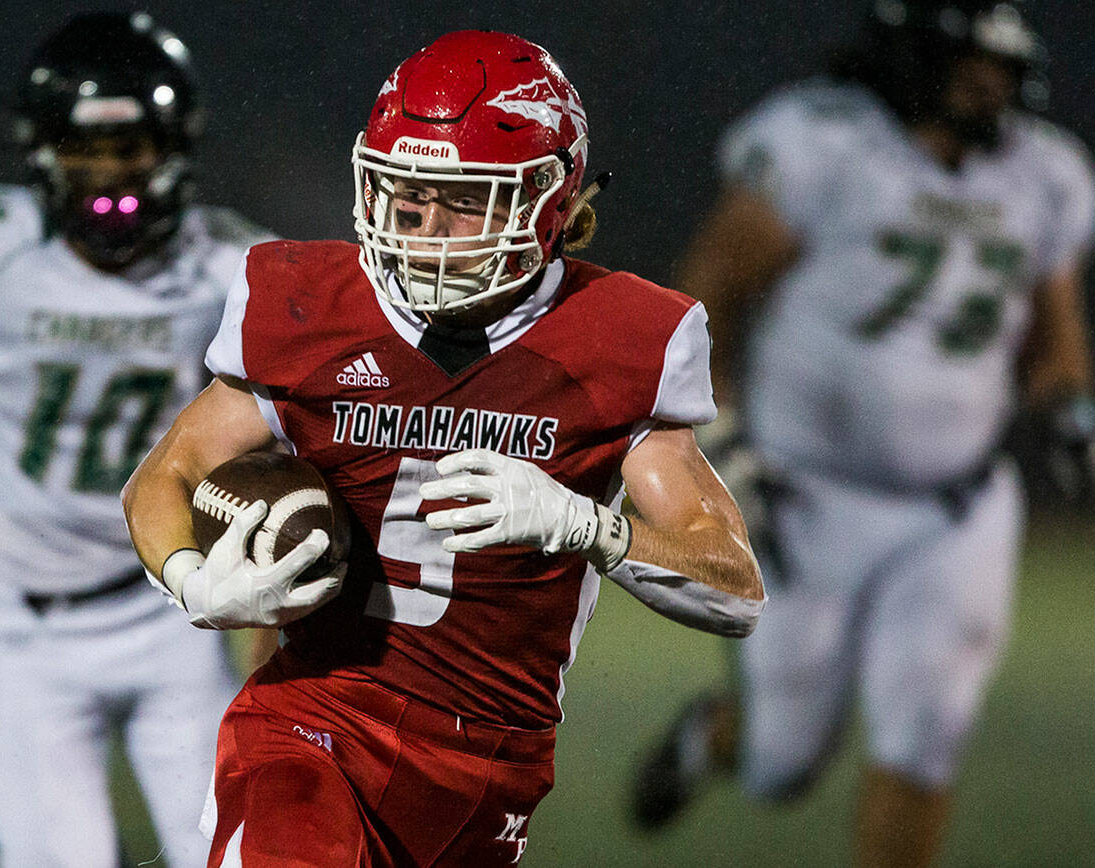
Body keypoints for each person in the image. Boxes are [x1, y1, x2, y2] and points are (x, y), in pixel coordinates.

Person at [122, 29, 765, 867]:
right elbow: (164, 477)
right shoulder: (311, 303)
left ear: (550, 202)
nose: (424, 226)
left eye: (462, 198)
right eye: (405, 192)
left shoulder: (619, 337)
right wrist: (191, 578)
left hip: (489, 765)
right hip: (316, 724)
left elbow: (735, 587)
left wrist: (588, 528)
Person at [630, 2, 1095, 866]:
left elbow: (1053, 340)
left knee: (927, 728)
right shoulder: (824, 145)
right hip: (807, 496)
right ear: (913, 55)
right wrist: (720, 440)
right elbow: (705, 303)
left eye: (1001, 68)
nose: (989, 88)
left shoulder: (1044, 174)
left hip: (956, 505)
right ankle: (714, 738)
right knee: (781, 764)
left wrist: (1071, 410)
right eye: (969, 65)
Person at [0, 13, 271, 867]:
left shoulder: (229, 269)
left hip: (179, 612)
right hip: (35, 635)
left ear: (174, 146)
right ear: (41, 150)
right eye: (84, 150)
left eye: (131, 148)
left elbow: (301, 423)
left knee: (232, 857)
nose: (109, 175)